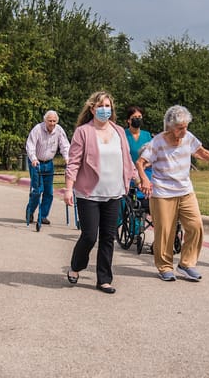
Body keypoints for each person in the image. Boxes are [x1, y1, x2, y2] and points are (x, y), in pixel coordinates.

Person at [136, 105, 209, 282]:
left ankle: (187, 264)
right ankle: (165, 267)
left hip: (185, 191)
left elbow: (202, 153)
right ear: (170, 127)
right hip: (163, 193)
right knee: (165, 231)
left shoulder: (188, 138)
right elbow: (140, 162)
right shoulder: (157, 142)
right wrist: (144, 179)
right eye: (180, 128)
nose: (184, 130)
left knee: (196, 226)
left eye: (186, 127)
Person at [63, 91, 135, 294]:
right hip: (89, 193)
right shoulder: (83, 132)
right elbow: (74, 162)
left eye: (108, 105)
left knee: (108, 237)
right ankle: (76, 266)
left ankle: (104, 279)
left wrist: (138, 178)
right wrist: (69, 188)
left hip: (114, 192)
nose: (105, 109)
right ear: (92, 109)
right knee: (89, 236)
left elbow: (127, 159)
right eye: (101, 106)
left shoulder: (119, 131)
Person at [25, 110, 70, 225]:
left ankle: (43, 216)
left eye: (54, 121)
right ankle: (30, 212)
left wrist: (67, 158)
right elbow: (30, 145)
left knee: (49, 192)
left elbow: (64, 145)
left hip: (49, 163)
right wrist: (33, 158)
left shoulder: (59, 130)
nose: (52, 123)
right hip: (36, 163)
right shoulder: (37, 129)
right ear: (45, 120)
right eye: (50, 121)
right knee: (37, 190)